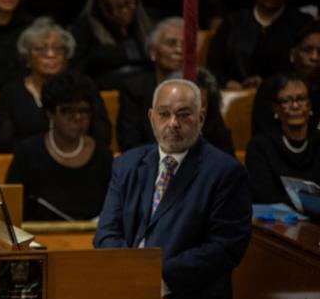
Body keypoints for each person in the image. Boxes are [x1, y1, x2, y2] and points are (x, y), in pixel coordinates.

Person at [94, 79, 252, 299]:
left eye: (183, 115)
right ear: (151, 117)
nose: (173, 124)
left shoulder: (225, 172)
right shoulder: (127, 165)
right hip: (131, 294)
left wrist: (162, 280)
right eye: (164, 114)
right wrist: (141, 282)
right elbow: (106, 234)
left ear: (201, 117)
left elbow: (225, 247)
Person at [7, 71, 113, 221]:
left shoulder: (103, 156)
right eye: (67, 110)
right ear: (50, 113)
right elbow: (12, 209)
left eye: (84, 111)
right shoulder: (27, 153)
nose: (77, 118)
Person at [117, 18, 234, 154]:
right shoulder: (134, 89)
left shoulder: (200, 87)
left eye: (185, 45)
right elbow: (130, 144)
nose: (179, 50)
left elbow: (220, 142)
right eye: (171, 43)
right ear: (152, 52)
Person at [0, 18, 111, 153]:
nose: (50, 54)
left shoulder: (85, 87)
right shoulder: (11, 92)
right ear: (27, 58)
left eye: (58, 49)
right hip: (27, 165)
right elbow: (4, 143)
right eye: (40, 49)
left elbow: (102, 135)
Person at [208, 0, 313, 91]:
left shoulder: (304, 23)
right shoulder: (233, 22)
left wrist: (271, 84)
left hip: (285, 96)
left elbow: (307, 69)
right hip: (235, 94)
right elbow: (214, 66)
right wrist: (229, 84)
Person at [71, 0, 153, 90]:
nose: (125, 11)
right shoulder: (84, 29)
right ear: (101, 6)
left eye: (129, 3)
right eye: (118, 6)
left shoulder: (149, 20)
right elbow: (78, 71)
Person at [246, 73, 320, 204]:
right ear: (276, 108)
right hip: (278, 220)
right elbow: (264, 195)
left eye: (301, 99)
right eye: (286, 101)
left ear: (310, 105)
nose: (295, 106)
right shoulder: (260, 146)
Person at [252, 20, 320, 136]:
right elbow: (261, 139)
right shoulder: (270, 89)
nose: (315, 57)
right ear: (292, 54)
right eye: (307, 50)